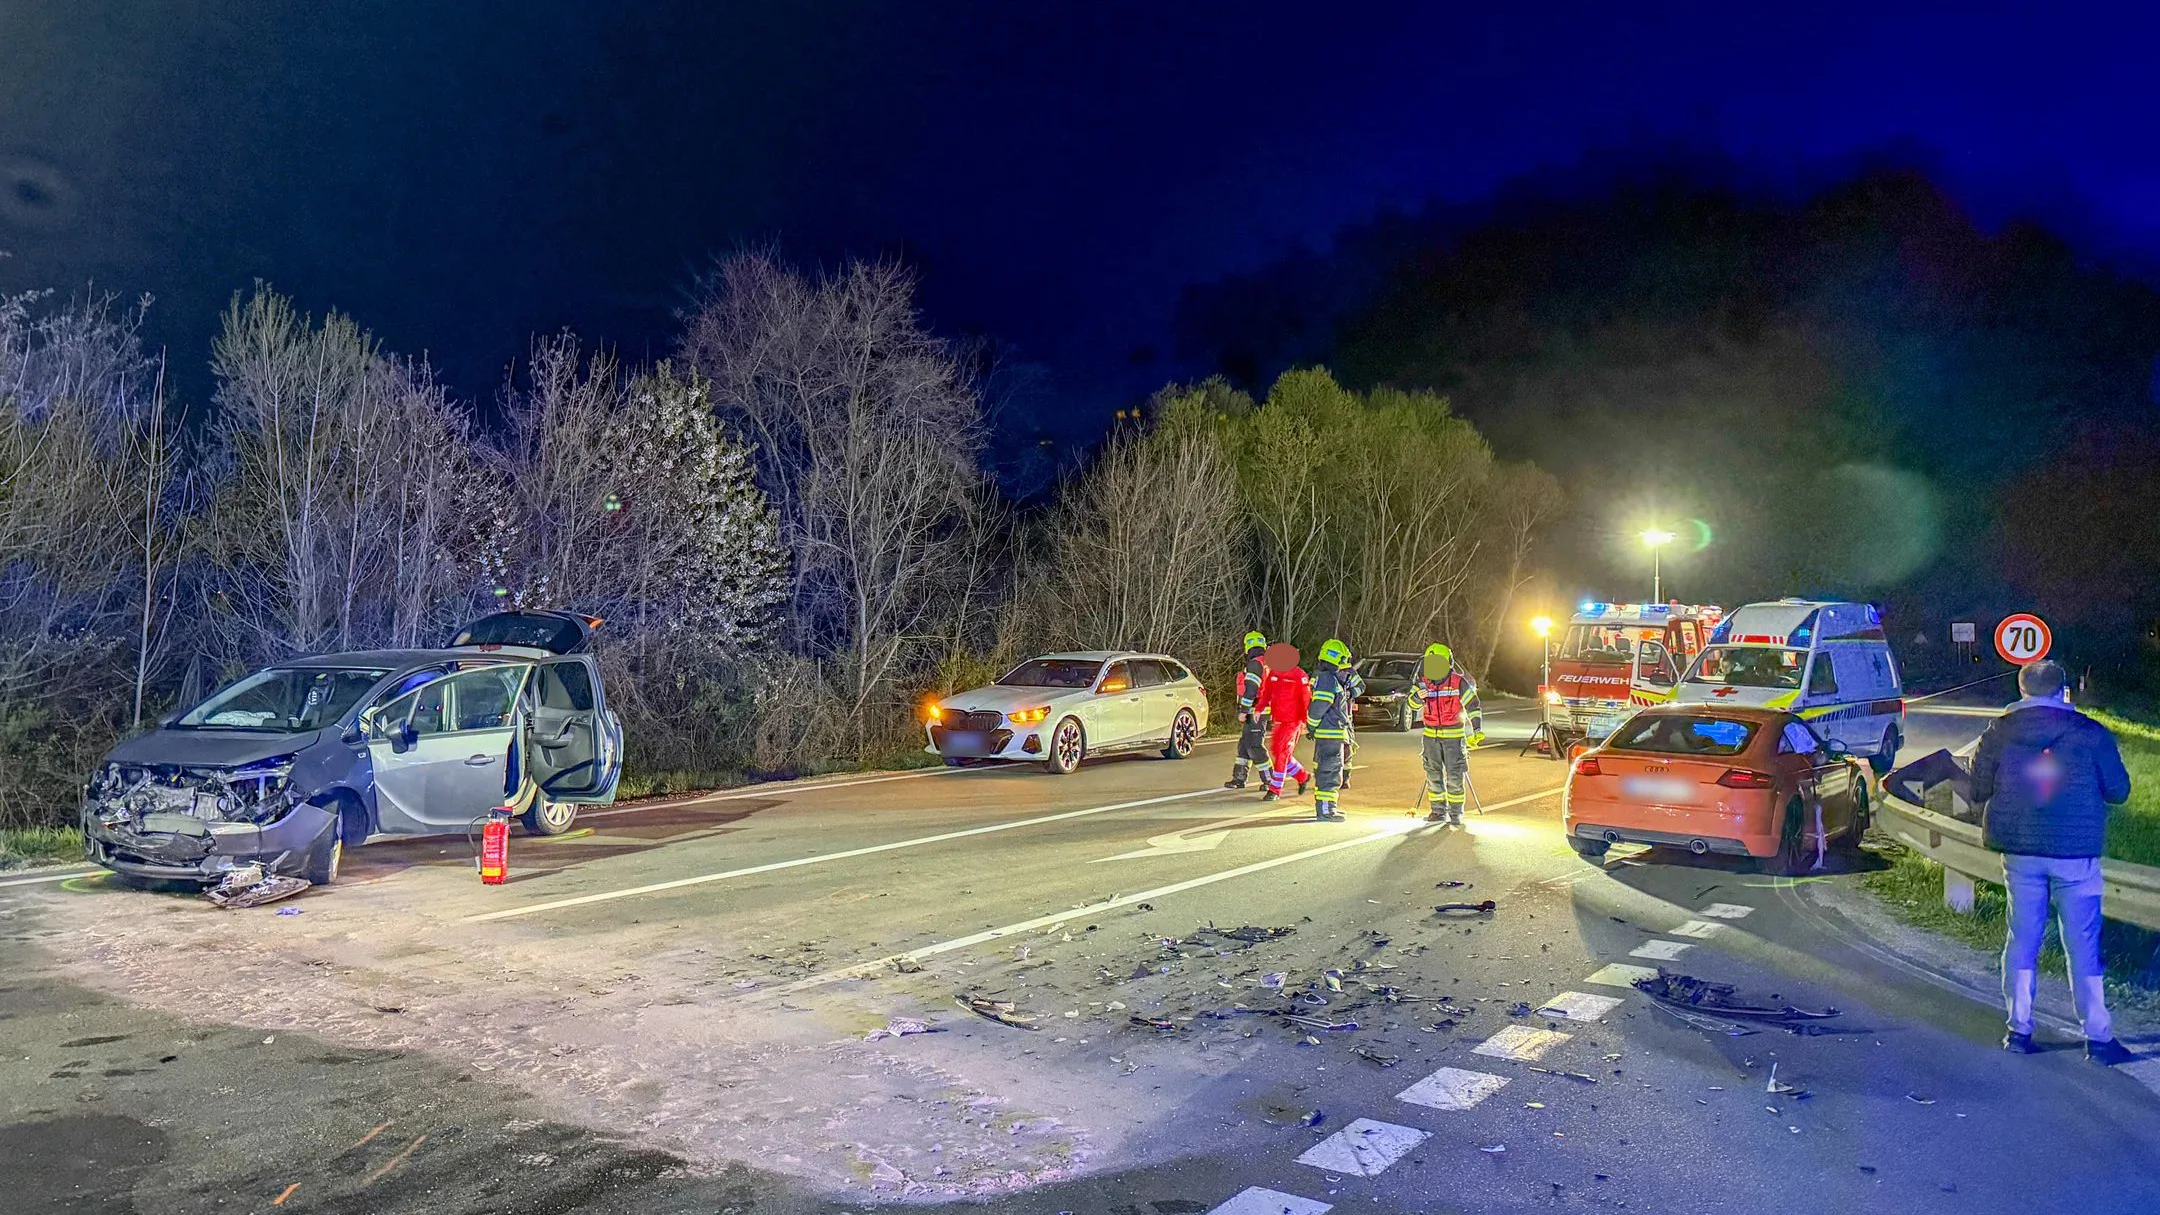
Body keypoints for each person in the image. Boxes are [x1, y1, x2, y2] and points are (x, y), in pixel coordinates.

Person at [1969, 659, 2136, 1065]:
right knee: (2082, 945)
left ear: (2021, 688)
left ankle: (2019, 1030)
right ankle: (2098, 1039)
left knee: (2022, 938)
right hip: (2075, 855)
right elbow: (2118, 791)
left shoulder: (1999, 731)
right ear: (2064, 689)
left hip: (2020, 851)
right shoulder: (2090, 733)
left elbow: (1976, 788)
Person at [1411, 643, 1483, 826]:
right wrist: (1418, 697)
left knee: (1454, 776)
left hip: (1453, 737)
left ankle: (1456, 813)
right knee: (1433, 774)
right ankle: (1437, 811)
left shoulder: (1459, 682)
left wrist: (1477, 729)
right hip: (1430, 738)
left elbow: (1473, 706)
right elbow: (1411, 704)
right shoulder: (1422, 682)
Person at [1304, 639, 1356, 822]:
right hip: (1330, 734)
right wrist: (1312, 724)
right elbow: (1320, 705)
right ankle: (1326, 811)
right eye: (1344, 660)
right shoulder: (1328, 679)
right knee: (1330, 772)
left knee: (1329, 771)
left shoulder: (1329, 678)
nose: (1347, 665)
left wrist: (1312, 726)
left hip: (1330, 734)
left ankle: (1328, 808)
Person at [1256, 650, 1312, 802]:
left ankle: (1275, 790)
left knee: (1282, 754)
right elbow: (1267, 692)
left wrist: (1308, 723)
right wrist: (1259, 709)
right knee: (1277, 751)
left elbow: (1306, 700)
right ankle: (1302, 776)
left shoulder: (1299, 676)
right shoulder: (1274, 674)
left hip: (1293, 721)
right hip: (1279, 720)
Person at [1225, 631, 1270, 790]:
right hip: (1261, 709)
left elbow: (1251, 689)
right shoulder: (1265, 662)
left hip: (1255, 710)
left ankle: (1270, 780)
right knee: (1244, 744)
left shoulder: (1255, 664)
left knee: (1254, 746)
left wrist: (1244, 710)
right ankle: (1239, 778)